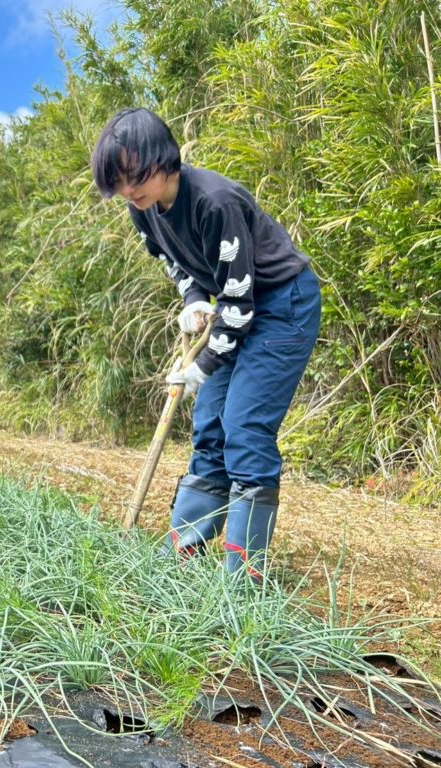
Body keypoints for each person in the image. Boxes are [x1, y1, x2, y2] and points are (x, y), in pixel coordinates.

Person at [92, 108, 321, 579]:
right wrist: (195, 300)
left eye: (133, 175)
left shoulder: (214, 203)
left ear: (162, 159)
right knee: (210, 423)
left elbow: (239, 300)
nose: (127, 190)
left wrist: (204, 365)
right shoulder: (145, 212)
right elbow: (176, 264)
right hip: (235, 309)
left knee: (244, 425)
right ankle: (185, 548)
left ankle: (243, 574)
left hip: (282, 304)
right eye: (117, 180)